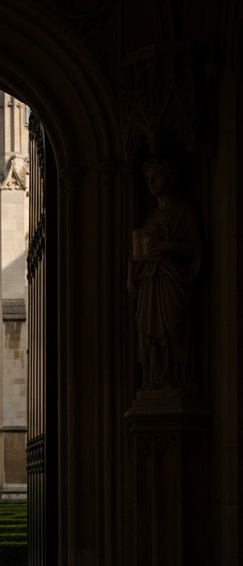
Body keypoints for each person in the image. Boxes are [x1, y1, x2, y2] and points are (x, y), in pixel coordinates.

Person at [127, 157, 201, 391]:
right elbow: (141, 255)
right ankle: (154, 378)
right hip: (151, 283)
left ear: (170, 177)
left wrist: (169, 246)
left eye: (156, 176)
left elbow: (195, 247)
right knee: (148, 332)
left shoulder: (183, 210)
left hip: (171, 283)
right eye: (148, 178)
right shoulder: (151, 218)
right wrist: (133, 272)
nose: (150, 182)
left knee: (172, 332)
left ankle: (175, 378)